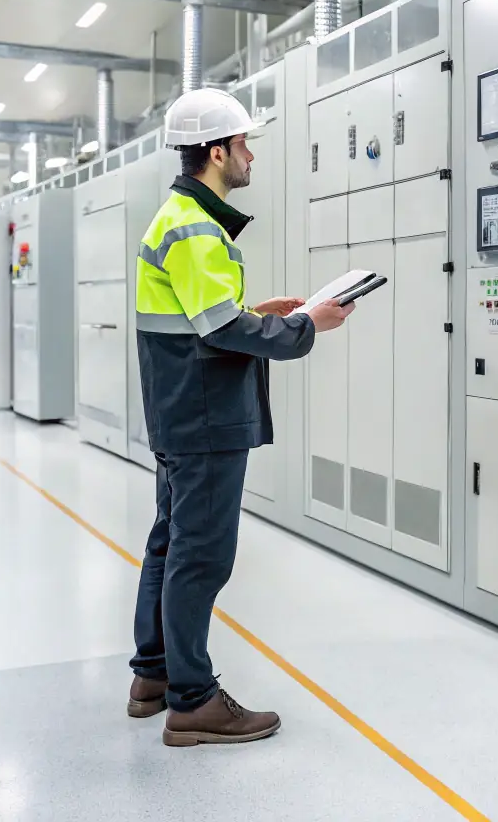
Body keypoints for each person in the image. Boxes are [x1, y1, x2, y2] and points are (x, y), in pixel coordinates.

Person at [128, 88, 354, 747]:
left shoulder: (178, 219)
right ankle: (193, 701)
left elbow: (205, 316)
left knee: (169, 544)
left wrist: (267, 311)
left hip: (180, 410)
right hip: (204, 418)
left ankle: (154, 674)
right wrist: (305, 324)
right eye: (245, 144)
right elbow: (222, 329)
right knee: (200, 556)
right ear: (218, 151)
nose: (251, 156)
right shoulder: (195, 227)